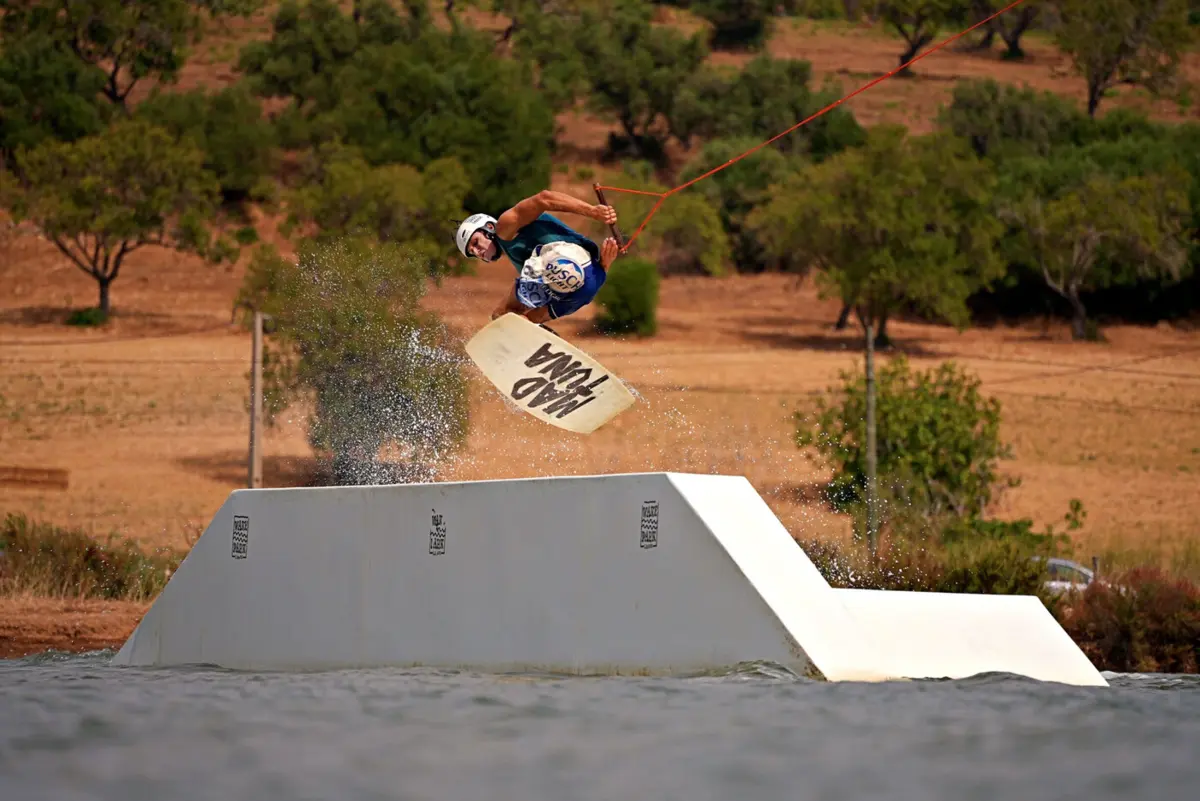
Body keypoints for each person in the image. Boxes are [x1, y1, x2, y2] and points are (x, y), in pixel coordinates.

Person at [454, 190, 620, 324]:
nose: (478, 252)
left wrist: (592, 211)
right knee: (523, 318)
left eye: (475, 243)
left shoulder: (504, 227)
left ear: (489, 227)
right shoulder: (516, 254)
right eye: (473, 253)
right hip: (590, 281)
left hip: (568, 262)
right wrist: (603, 266)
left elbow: (544, 198)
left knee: (502, 313)